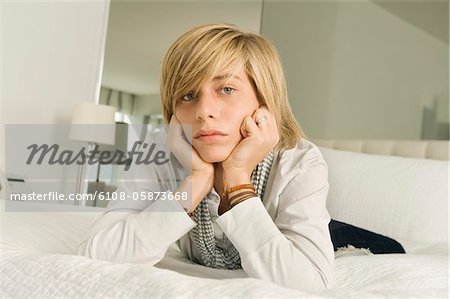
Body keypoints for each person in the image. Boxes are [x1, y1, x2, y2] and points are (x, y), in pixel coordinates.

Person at [76, 23, 335, 291]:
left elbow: (311, 285)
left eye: (226, 89)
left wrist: (237, 180)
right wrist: (195, 182)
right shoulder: (159, 151)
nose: (203, 111)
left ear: (264, 100)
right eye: (188, 95)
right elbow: (93, 255)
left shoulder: (299, 162)